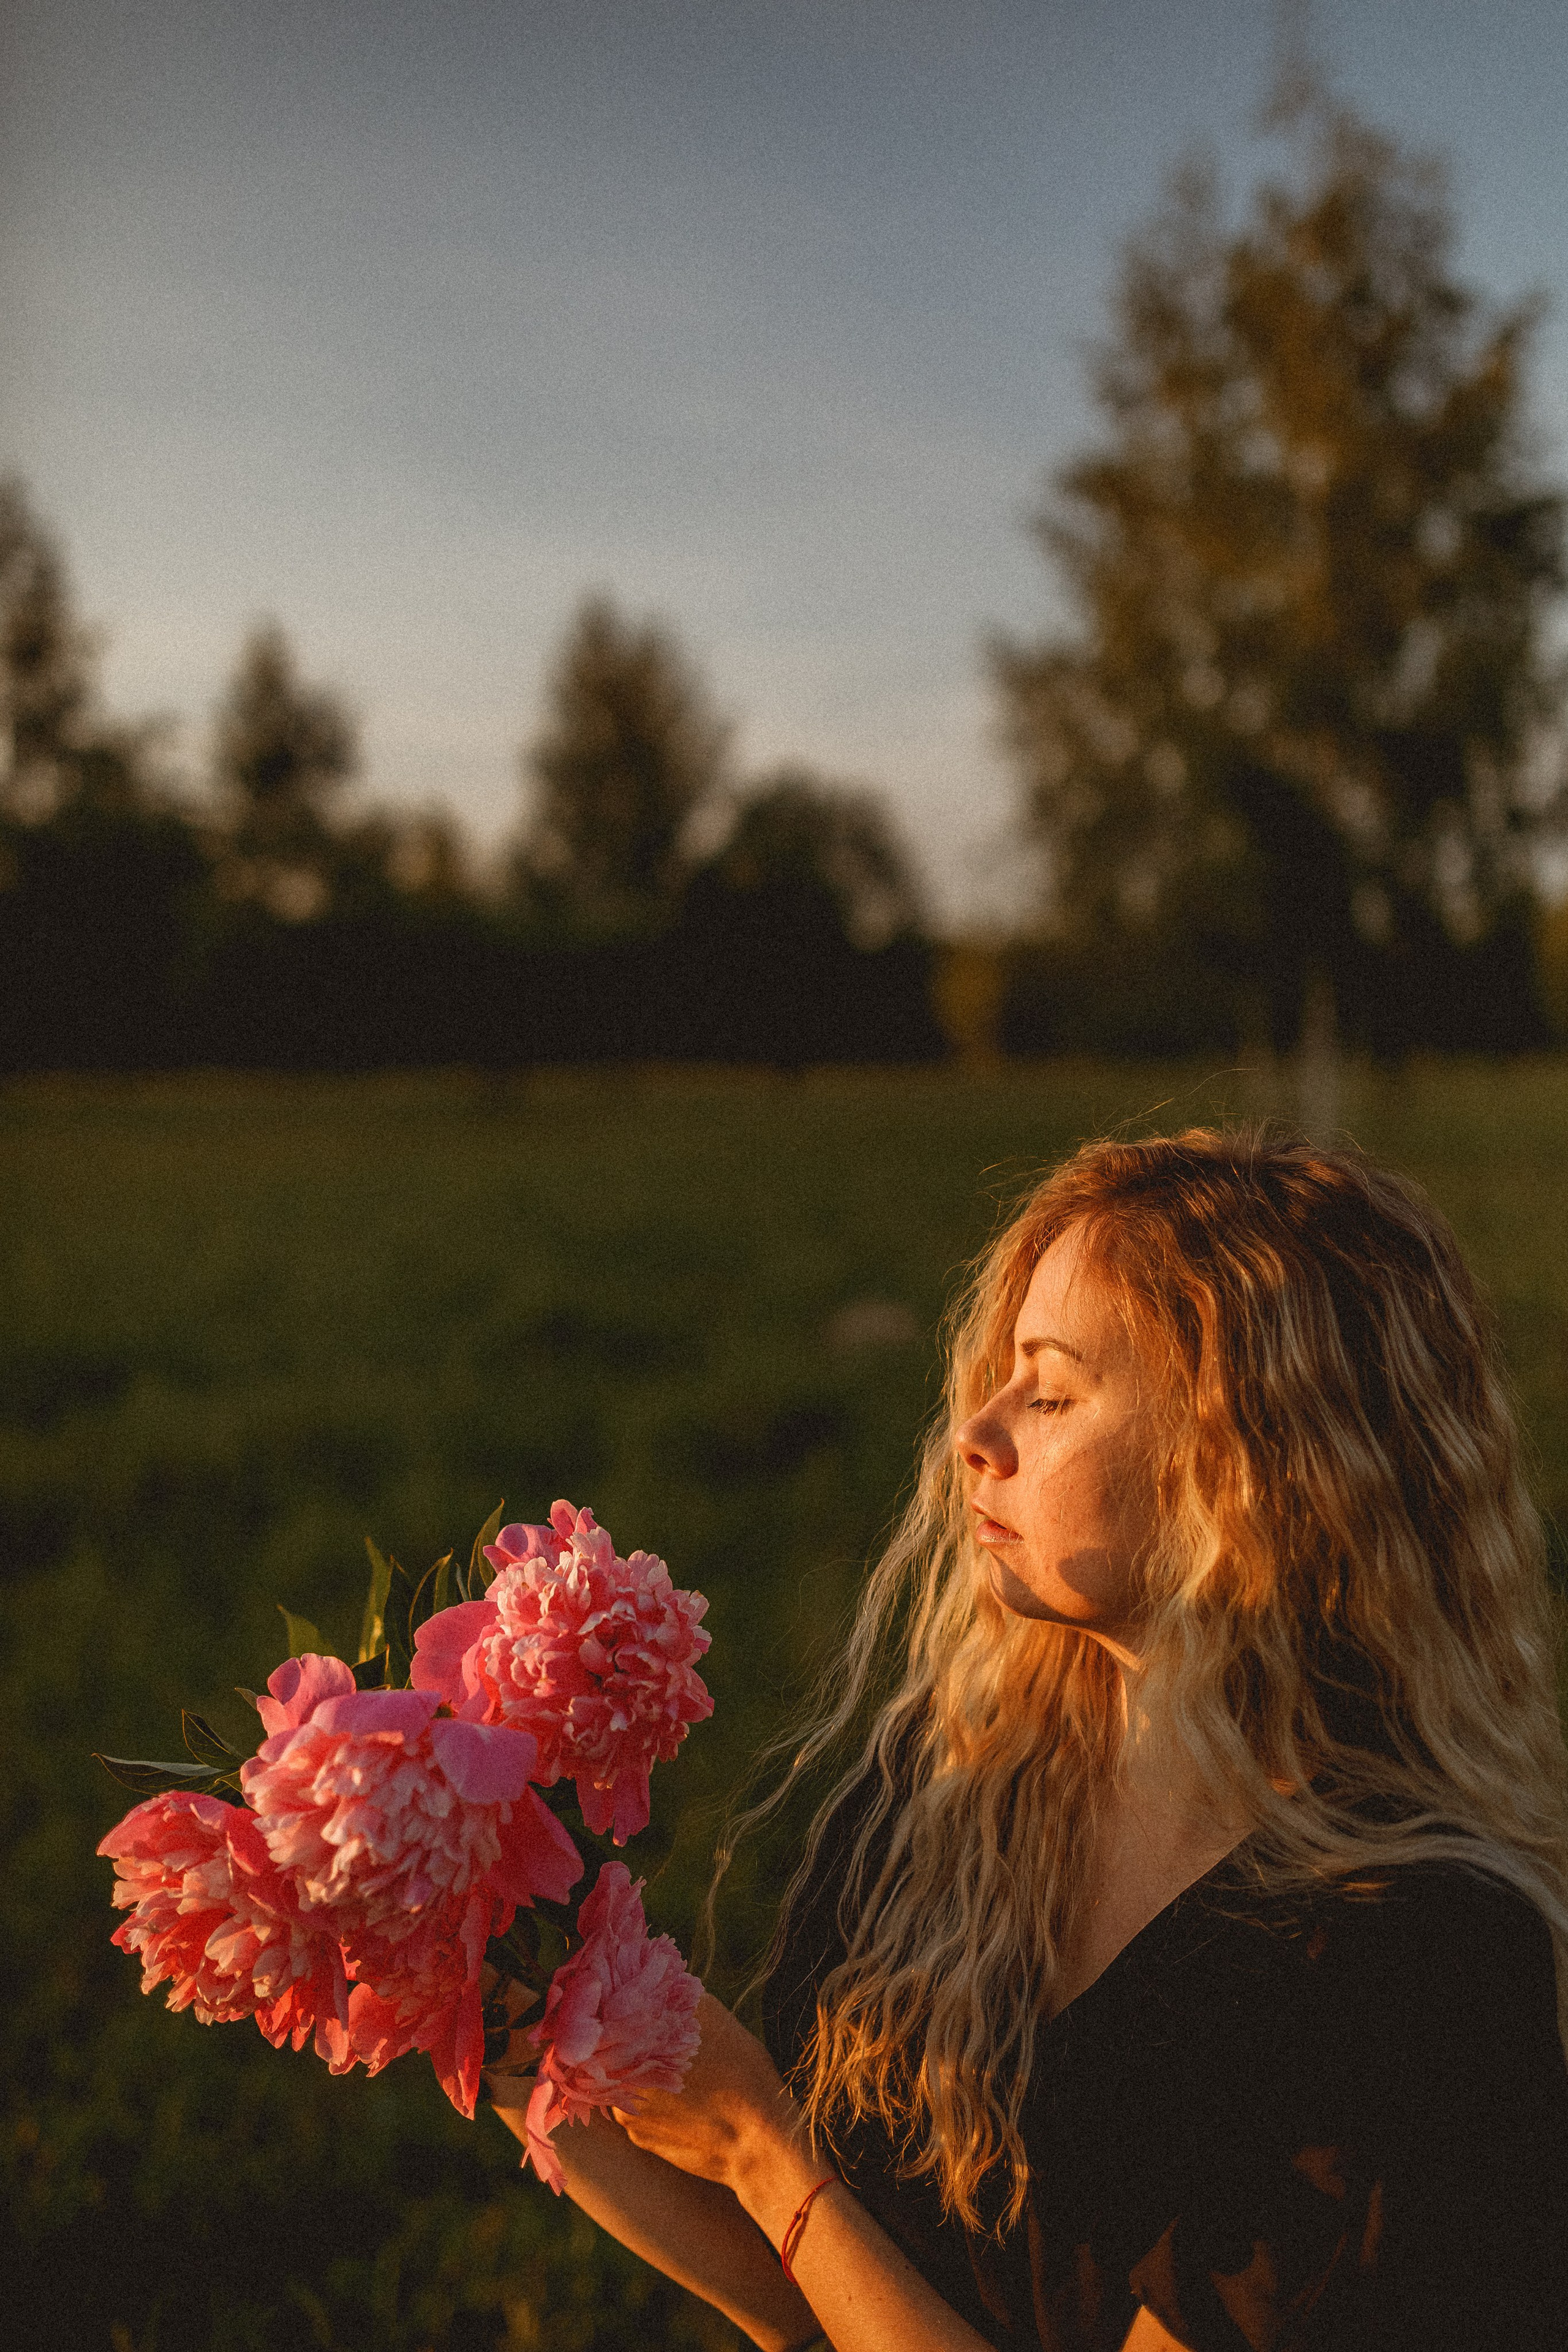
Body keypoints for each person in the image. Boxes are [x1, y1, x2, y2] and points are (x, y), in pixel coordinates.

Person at [488, 1128, 1568, 2351]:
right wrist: (508, 2027)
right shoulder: (943, 1800)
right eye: (996, 1377)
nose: (975, 1433)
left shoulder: (1412, 1956)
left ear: (1254, 1460)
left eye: (1048, 1390)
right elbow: (812, 2296)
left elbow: (794, 2205)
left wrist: (761, 2149)